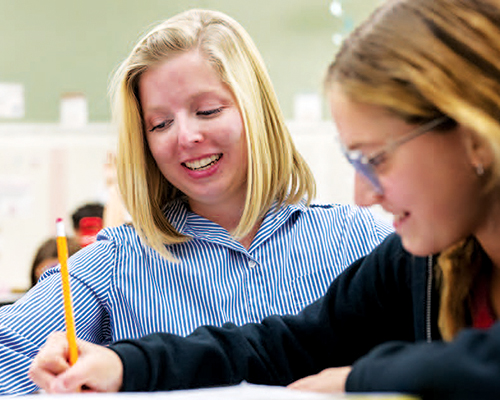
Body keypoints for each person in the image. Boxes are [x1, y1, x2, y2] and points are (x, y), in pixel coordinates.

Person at [27, 0, 500, 398]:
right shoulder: (417, 260)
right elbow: (284, 346)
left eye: (375, 159)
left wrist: (356, 379)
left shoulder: (372, 239)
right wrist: (127, 366)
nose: (363, 194)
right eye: (160, 123)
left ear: (476, 138)